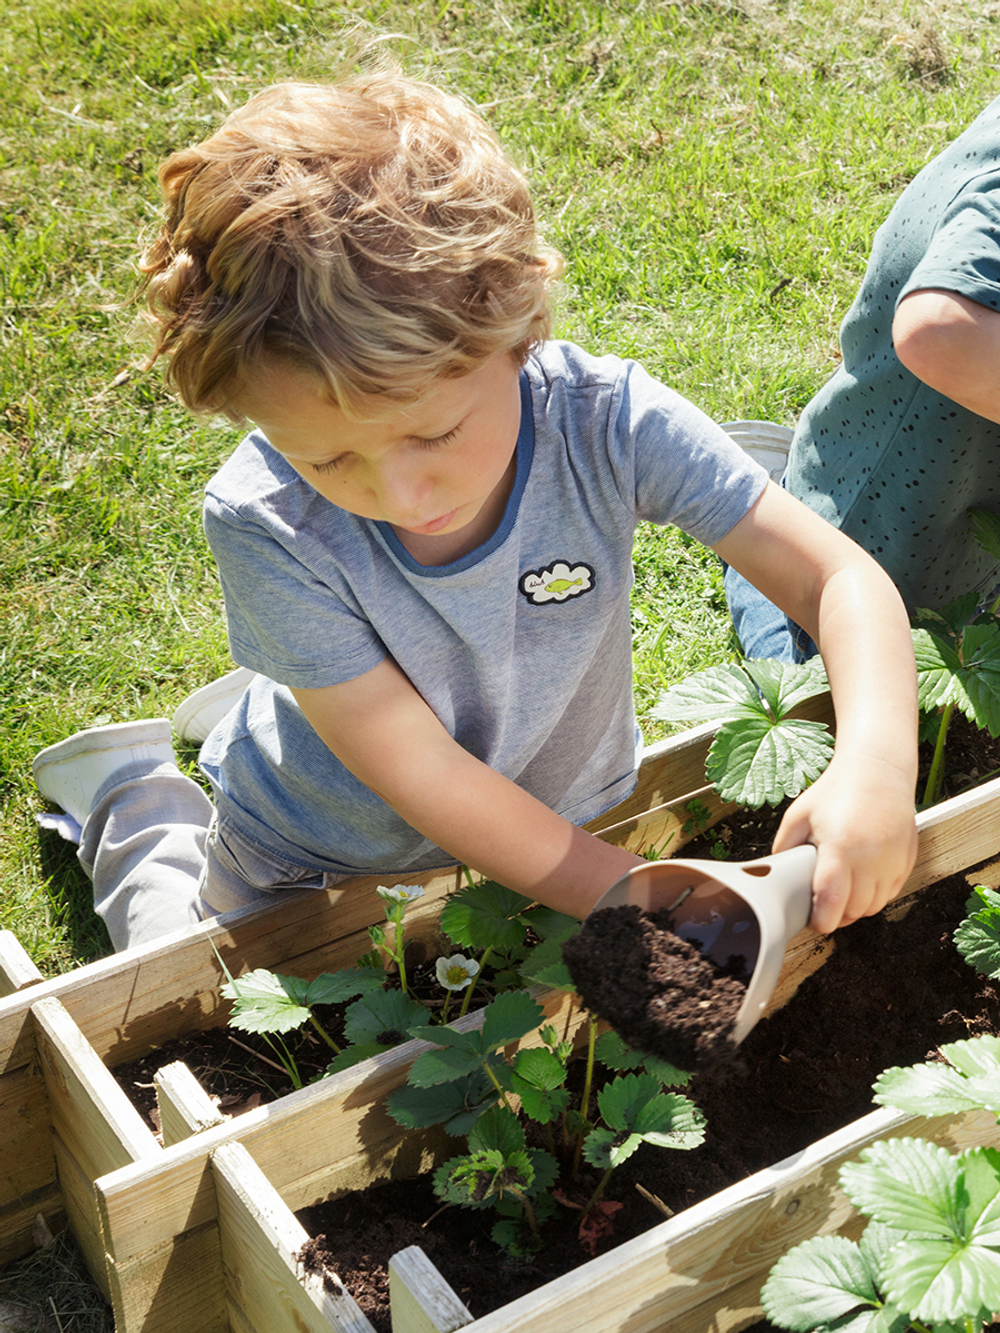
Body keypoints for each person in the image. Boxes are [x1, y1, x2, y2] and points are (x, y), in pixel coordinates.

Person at [33, 67, 918, 953]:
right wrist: (638, 894)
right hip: (310, 857)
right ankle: (130, 792)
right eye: (328, 457)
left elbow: (835, 575)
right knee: (180, 970)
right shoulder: (267, 517)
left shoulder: (602, 421)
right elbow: (427, 775)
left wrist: (875, 767)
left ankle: (306, 669)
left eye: (437, 433)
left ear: (518, 331)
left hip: (561, 818)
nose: (400, 496)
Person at [726, 94, 1000, 662]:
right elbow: (942, 332)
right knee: (826, 668)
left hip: (966, 527)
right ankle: (758, 530)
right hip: (876, 545)